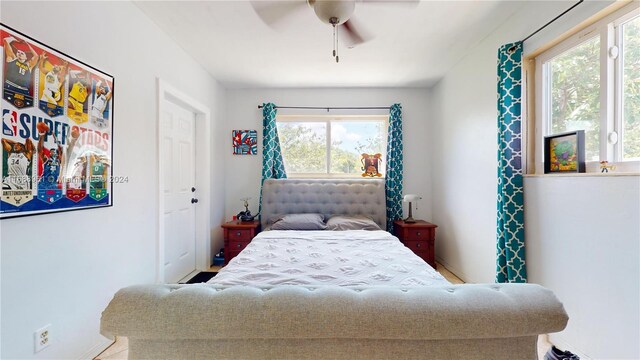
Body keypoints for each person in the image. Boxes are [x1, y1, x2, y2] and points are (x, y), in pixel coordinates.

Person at [36, 122, 63, 189]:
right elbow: (39, 149)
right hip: (43, 184)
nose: (53, 152)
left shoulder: (59, 160)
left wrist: (54, 136)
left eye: (54, 151)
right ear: (49, 153)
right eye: (51, 151)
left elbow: (60, 149)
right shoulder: (46, 160)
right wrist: (42, 135)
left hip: (53, 185)